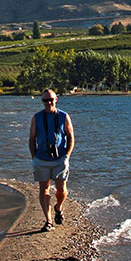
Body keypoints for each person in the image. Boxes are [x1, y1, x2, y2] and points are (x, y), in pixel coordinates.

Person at [29, 88, 75, 232]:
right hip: (41, 159)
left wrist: (67, 155)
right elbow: (32, 138)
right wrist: (34, 157)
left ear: (56, 99)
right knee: (44, 190)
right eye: (45, 100)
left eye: (51, 99)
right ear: (42, 101)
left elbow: (71, 137)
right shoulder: (37, 117)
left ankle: (58, 207)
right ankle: (48, 220)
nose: (48, 103)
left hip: (60, 158)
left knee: (61, 190)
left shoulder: (64, 116)